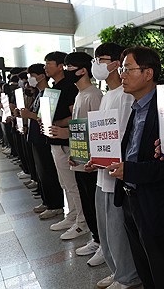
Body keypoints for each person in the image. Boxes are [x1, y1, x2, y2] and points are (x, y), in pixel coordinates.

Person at [108, 46, 164, 289]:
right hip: (129, 197)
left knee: (160, 262)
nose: (122, 74)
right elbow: (133, 149)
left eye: (127, 69)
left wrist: (130, 171)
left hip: (156, 200)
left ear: (148, 73)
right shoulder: (136, 106)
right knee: (142, 261)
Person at [84, 42, 141, 289]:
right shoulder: (107, 96)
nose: (96, 64)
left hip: (117, 176)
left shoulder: (126, 97)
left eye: (101, 59)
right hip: (101, 174)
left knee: (119, 231)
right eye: (95, 60)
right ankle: (117, 270)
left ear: (117, 63)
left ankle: (127, 276)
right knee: (106, 230)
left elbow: (129, 137)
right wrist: (94, 159)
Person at [43, 51, 87, 240]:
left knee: (73, 184)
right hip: (55, 140)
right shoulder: (54, 87)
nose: (46, 67)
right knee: (66, 184)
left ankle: (82, 222)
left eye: (49, 63)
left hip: (66, 142)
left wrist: (59, 124)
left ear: (60, 66)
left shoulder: (71, 88)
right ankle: (73, 216)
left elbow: (76, 118)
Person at [20, 63, 65, 219]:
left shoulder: (49, 93)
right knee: (41, 171)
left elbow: (46, 118)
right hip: (36, 137)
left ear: (40, 76)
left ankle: (55, 204)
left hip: (44, 138)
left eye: (32, 75)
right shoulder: (39, 93)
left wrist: (29, 115)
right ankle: (47, 201)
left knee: (48, 171)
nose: (29, 79)